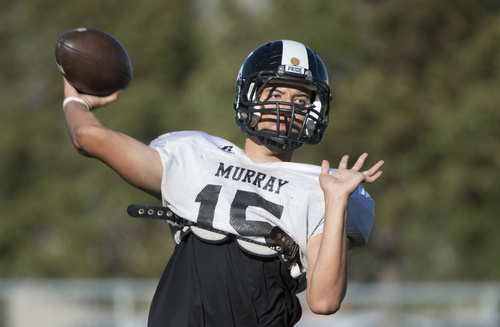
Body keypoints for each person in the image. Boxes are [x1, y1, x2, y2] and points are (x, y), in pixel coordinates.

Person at [61, 40, 384, 327]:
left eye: (300, 101)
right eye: (276, 94)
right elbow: (88, 137)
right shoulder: (194, 154)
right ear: (250, 96)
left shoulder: (321, 187)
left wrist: (338, 199)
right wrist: (76, 101)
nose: (287, 108)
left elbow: (324, 302)